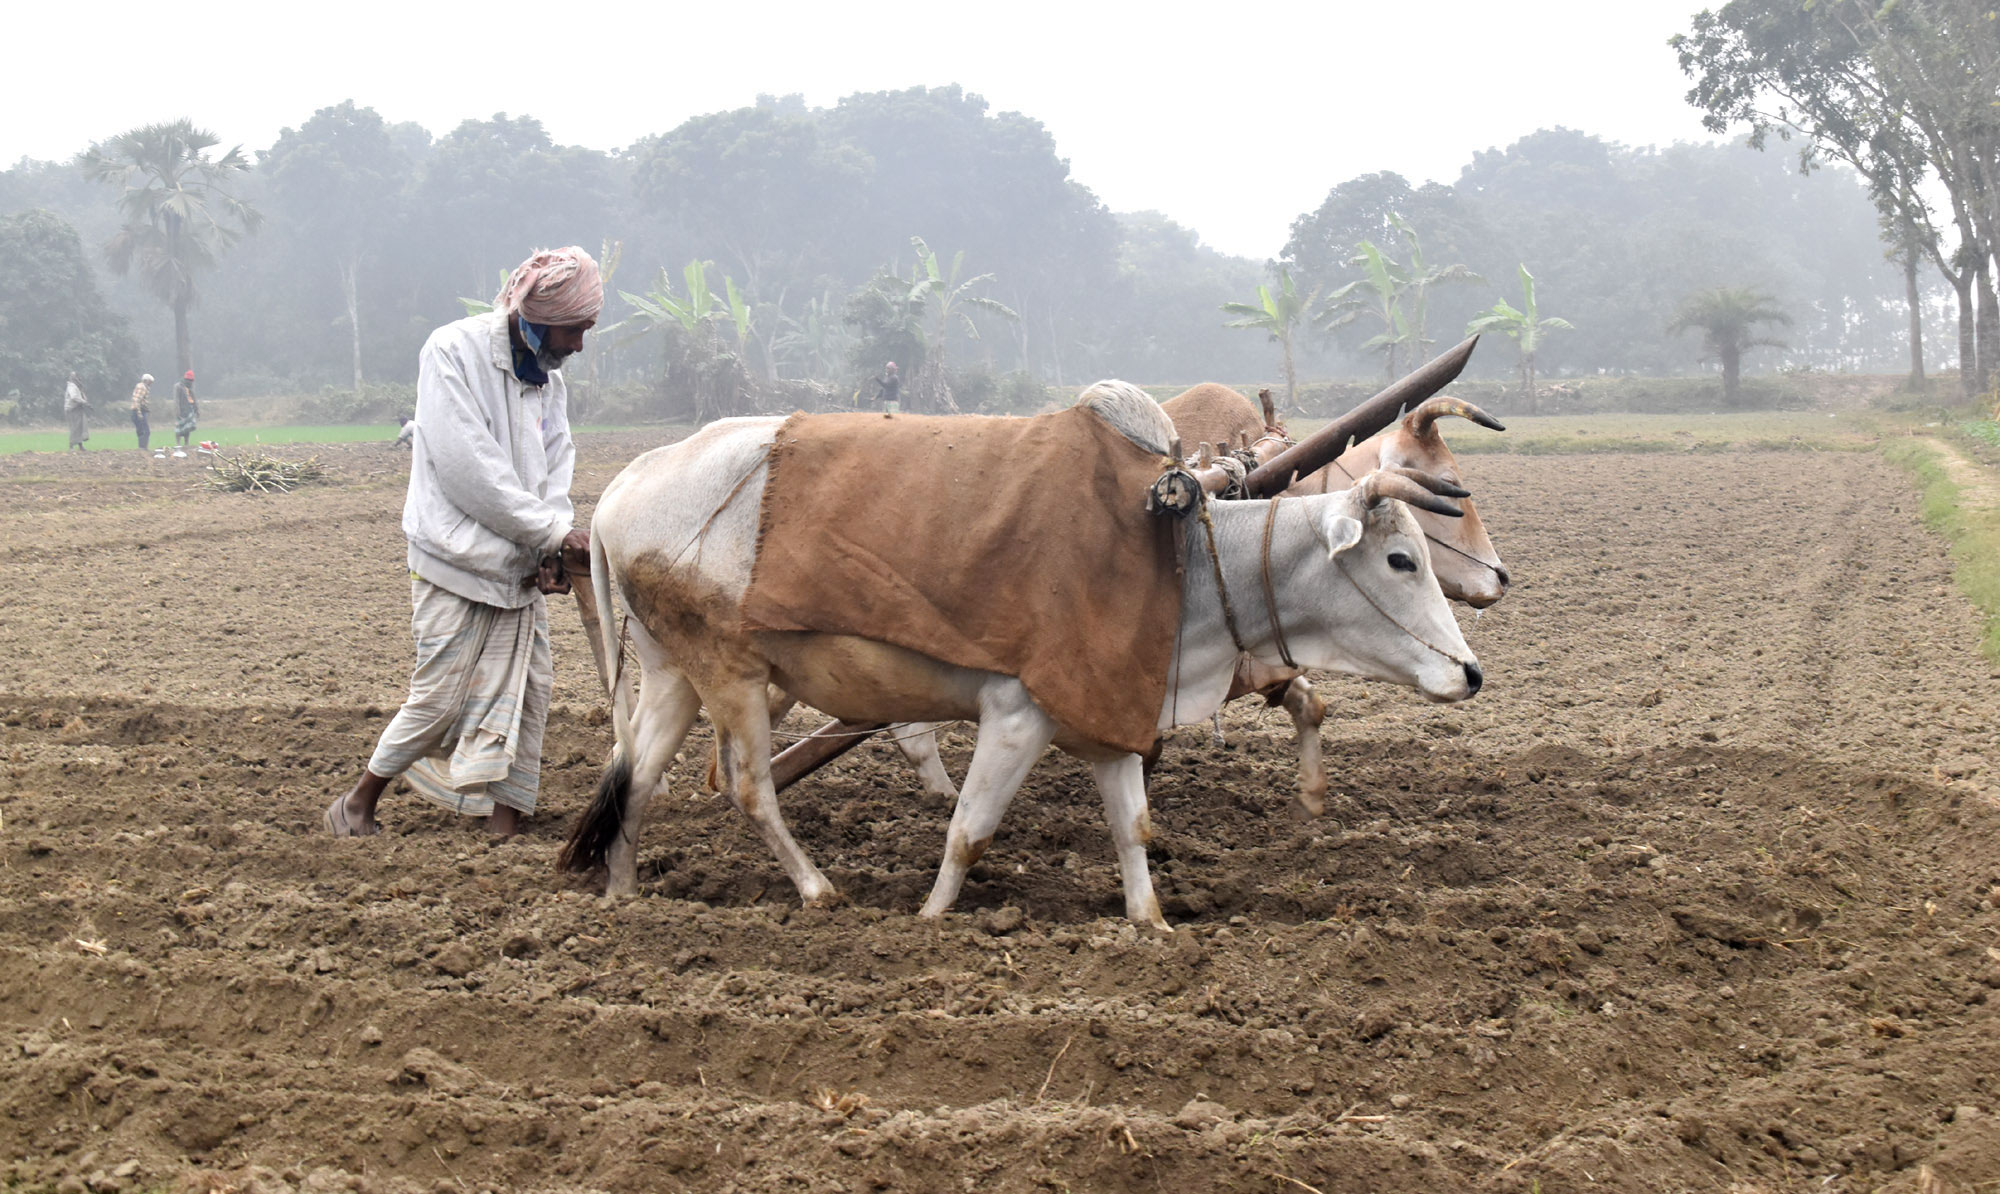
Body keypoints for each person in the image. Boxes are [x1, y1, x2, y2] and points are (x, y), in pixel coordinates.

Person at [325, 245, 601, 840]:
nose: (578, 344)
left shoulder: (547, 381)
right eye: (573, 329)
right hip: (455, 558)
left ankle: (506, 827)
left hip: (519, 562)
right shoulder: (453, 351)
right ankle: (356, 802)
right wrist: (552, 533)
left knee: (529, 695)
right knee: (441, 699)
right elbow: (467, 468)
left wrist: (550, 546)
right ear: (537, 315)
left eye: (586, 330)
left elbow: (557, 462)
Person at [172, 370, 198, 454]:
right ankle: (178, 444)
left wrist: (197, 409)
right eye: (189, 380)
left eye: (191, 381)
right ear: (185, 379)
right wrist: (177, 411)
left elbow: (194, 399)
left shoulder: (190, 388)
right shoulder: (178, 386)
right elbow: (176, 399)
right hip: (181, 409)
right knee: (179, 428)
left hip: (189, 409)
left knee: (188, 428)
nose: (190, 382)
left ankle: (186, 443)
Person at [64, 373, 90, 450]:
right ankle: (71, 445)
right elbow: (74, 397)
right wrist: (84, 402)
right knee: (74, 428)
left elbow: (81, 396)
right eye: (77, 378)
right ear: (74, 378)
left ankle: (80, 445)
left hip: (77, 409)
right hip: (72, 409)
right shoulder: (72, 386)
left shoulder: (76, 387)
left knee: (79, 428)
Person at [130, 374, 153, 451]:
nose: (151, 384)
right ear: (146, 381)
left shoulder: (139, 385)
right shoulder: (142, 387)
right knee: (145, 431)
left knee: (140, 431)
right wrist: (139, 413)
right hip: (138, 411)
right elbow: (137, 400)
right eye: (150, 382)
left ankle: (141, 448)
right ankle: (143, 449)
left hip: (135, 411)